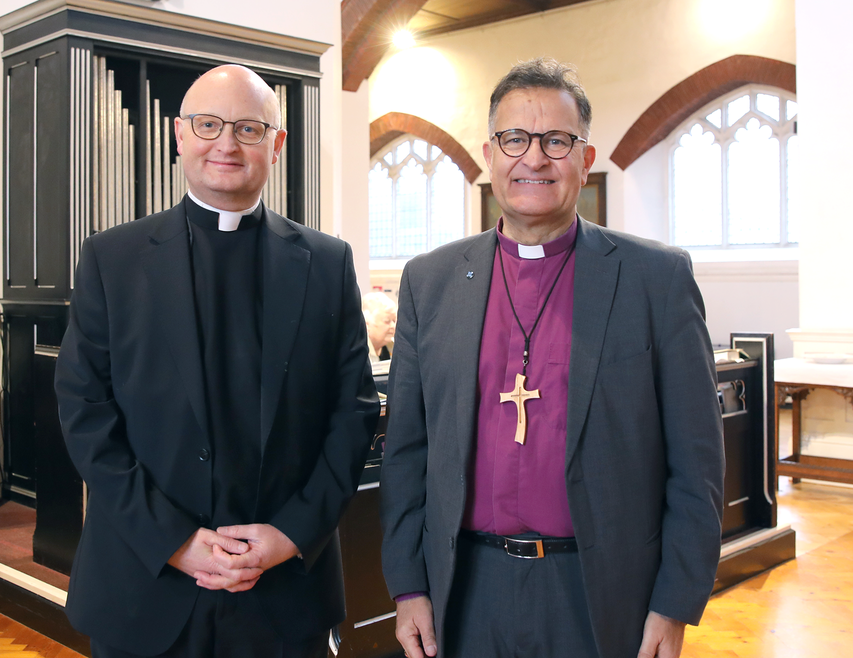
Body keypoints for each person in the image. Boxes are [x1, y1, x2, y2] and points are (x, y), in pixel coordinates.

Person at [379, 58, 724, 658]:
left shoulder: (655, 280)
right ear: (490, 154)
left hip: (601, 590)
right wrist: (408, 585)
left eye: (556, 141)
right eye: (515, 139)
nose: (533, 159)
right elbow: (407, 452)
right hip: (464, 588)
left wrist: (674, 603)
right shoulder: (430, 282)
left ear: (585, 159)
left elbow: (697, 464)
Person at [54, 64, 380, 658]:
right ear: (180, 135)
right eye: (208, 125)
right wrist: (173, 540)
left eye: (249, 129)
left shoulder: (327, 264)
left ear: (276, 146)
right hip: (145, 580)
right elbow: (85, 413)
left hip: (285, 590)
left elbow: (354, 414)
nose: (226, 144)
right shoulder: (112, 259)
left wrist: (289, 534)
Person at [362, 291, 397, 361]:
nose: (393, 326)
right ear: (367, 324)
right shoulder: (359, 353)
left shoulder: (395, 347)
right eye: (387, 321)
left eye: (394, 321)